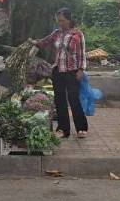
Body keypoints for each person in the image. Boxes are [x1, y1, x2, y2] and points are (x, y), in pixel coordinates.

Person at [36, 7, 88, 138]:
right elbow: (44, 42)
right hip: (58, 70)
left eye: (63, 20)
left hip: (72, 72)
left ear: (69, 20)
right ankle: (63, 129)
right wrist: (34, 42)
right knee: (59, 100)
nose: (60, 23)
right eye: (58, 21)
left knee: (73, 99)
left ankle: (81, 128)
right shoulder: (57, 33)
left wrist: (81, 69)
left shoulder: (77, 34)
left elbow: (82, 54)